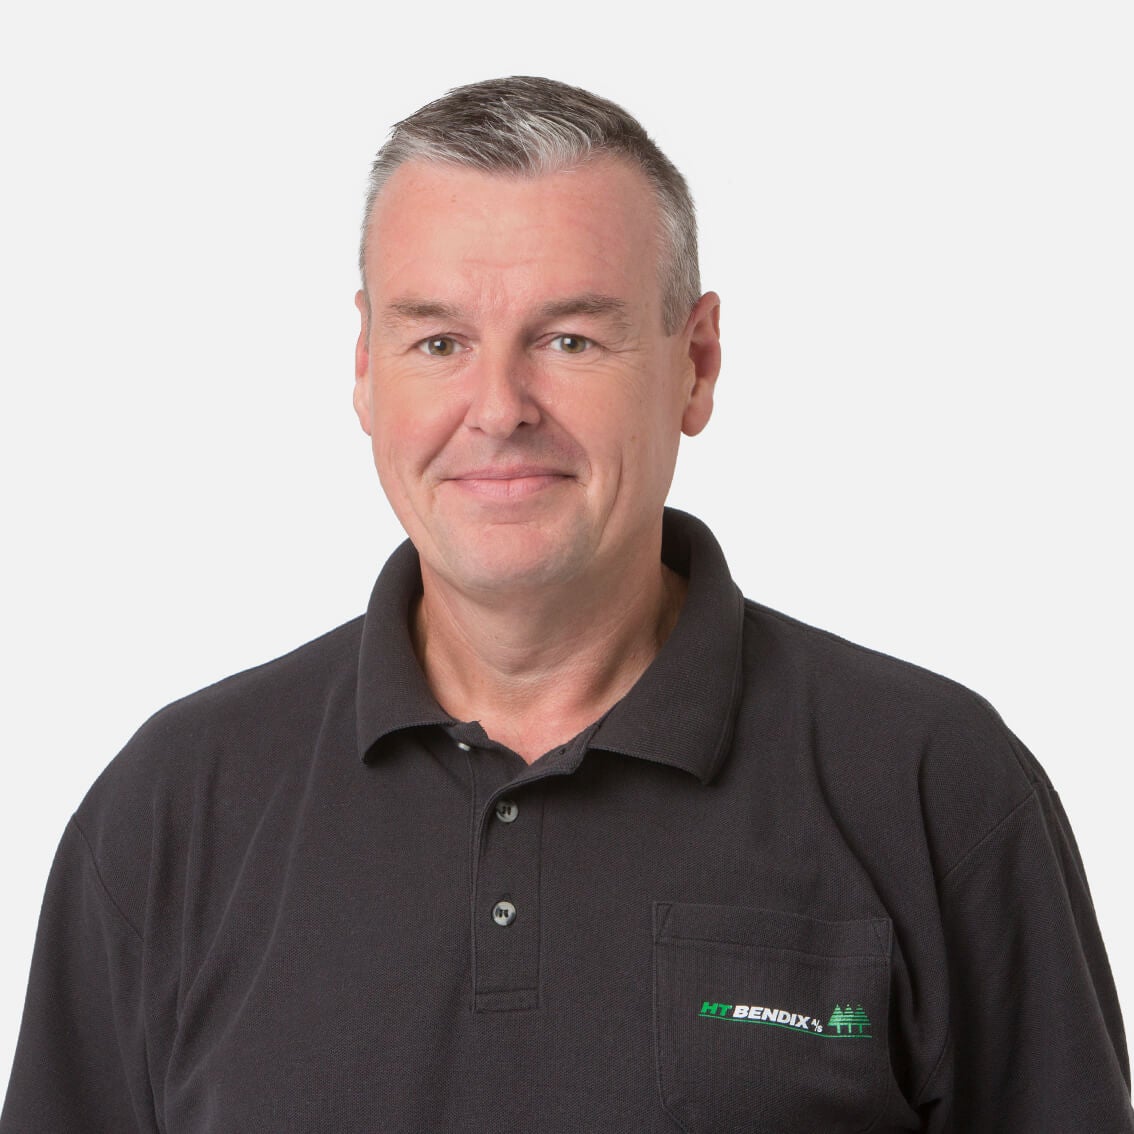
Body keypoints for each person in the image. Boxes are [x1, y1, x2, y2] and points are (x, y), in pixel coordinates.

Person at [1, 75, 1131, 1133]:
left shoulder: (936, 787)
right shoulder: (175, 807)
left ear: (697, 364)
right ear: (365, 368)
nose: (499, 407)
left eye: (569, 339)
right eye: (438, 340)